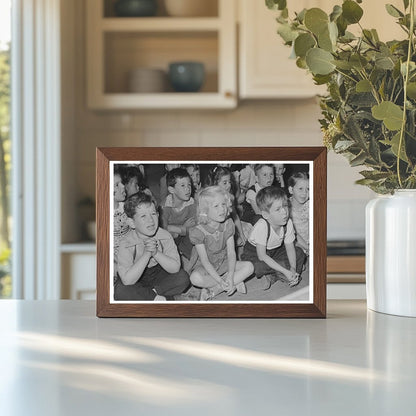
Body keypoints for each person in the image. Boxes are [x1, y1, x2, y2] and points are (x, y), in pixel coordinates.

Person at [115, 192, 190, 301]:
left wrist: (155, 253)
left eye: (153, 214)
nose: (150, 220)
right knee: (120, 291)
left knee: (183, 278)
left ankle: (151, 296)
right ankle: (162, 298)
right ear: (131, 222)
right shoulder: (126, 243)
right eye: (143, 216)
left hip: (158, 274)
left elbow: (175, 268)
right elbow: (127, 280)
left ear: (158, 215)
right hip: (136, 277)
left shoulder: (165, 236)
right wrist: (147, 254)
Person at [189, 186, 254, 301]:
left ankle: (214, 290)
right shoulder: (198, 231)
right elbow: (205, 261)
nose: (222, 209)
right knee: (195, 278)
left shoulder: (228, 224)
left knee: (249, 267)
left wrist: (229, 276)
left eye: (223, 204)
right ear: (205, 211)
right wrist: (220, 280)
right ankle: (233, 282)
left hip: (224, 262)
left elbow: (231, 253)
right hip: (206, 267)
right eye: (216, 206)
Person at [241, 186, 306, 290]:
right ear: (266, 215)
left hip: (276, 250)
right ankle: (281, 273)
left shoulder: (288, 222)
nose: (284, 212)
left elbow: (289, 248)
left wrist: (293, 268)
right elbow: (262, 256)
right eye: (278, 209)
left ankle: (276, 275)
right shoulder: (262, 226)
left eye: (285, 206)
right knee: (257, 266)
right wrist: (285, 271)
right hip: (255, 253)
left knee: (299, 253)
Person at [161, 168, 196, 261]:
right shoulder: (165, 206)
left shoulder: (191, 203)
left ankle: (188, 258)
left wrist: (172, 228)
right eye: (182, 185)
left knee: (195, 236)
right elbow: (163, 230)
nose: (188, 189)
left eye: (189, 185)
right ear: (171, 190)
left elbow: (193, 227)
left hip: (185, 239)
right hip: (170, 239)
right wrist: (183, 228)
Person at [207, 165, 247, 248]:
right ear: (215, 183)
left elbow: (235, 217)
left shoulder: (229, 197)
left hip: (227, 227)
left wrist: (242, 234)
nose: (229, 185)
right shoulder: (210, 199)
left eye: (229, 182)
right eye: (224, 182)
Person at [113, 165, 130, 274]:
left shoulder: (126, 207)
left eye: (122, 182)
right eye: (116, 185)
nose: (123, 186)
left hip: (129, 246)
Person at [288, 172, 310, 254]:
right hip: (295, 243)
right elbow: (291, 233)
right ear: (291, 190)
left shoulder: (310, 205)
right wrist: (309, 248)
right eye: (300, 189)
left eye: (308, 189)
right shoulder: (285, 207)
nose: (304, 193)